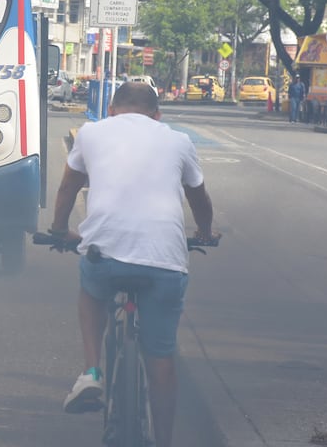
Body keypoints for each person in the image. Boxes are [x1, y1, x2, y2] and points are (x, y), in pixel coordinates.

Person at [48, 82, 218, 447]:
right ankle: (164, 439)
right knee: (160, 355)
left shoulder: (91, 133)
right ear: (157, 115)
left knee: (91, 291)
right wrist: (204, 232)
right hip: (165, 262)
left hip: (105, 255)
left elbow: (67, 189)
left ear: (111, 109)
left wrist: (60, 230)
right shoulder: (178, 141)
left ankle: (91, 372)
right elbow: (199, 198)